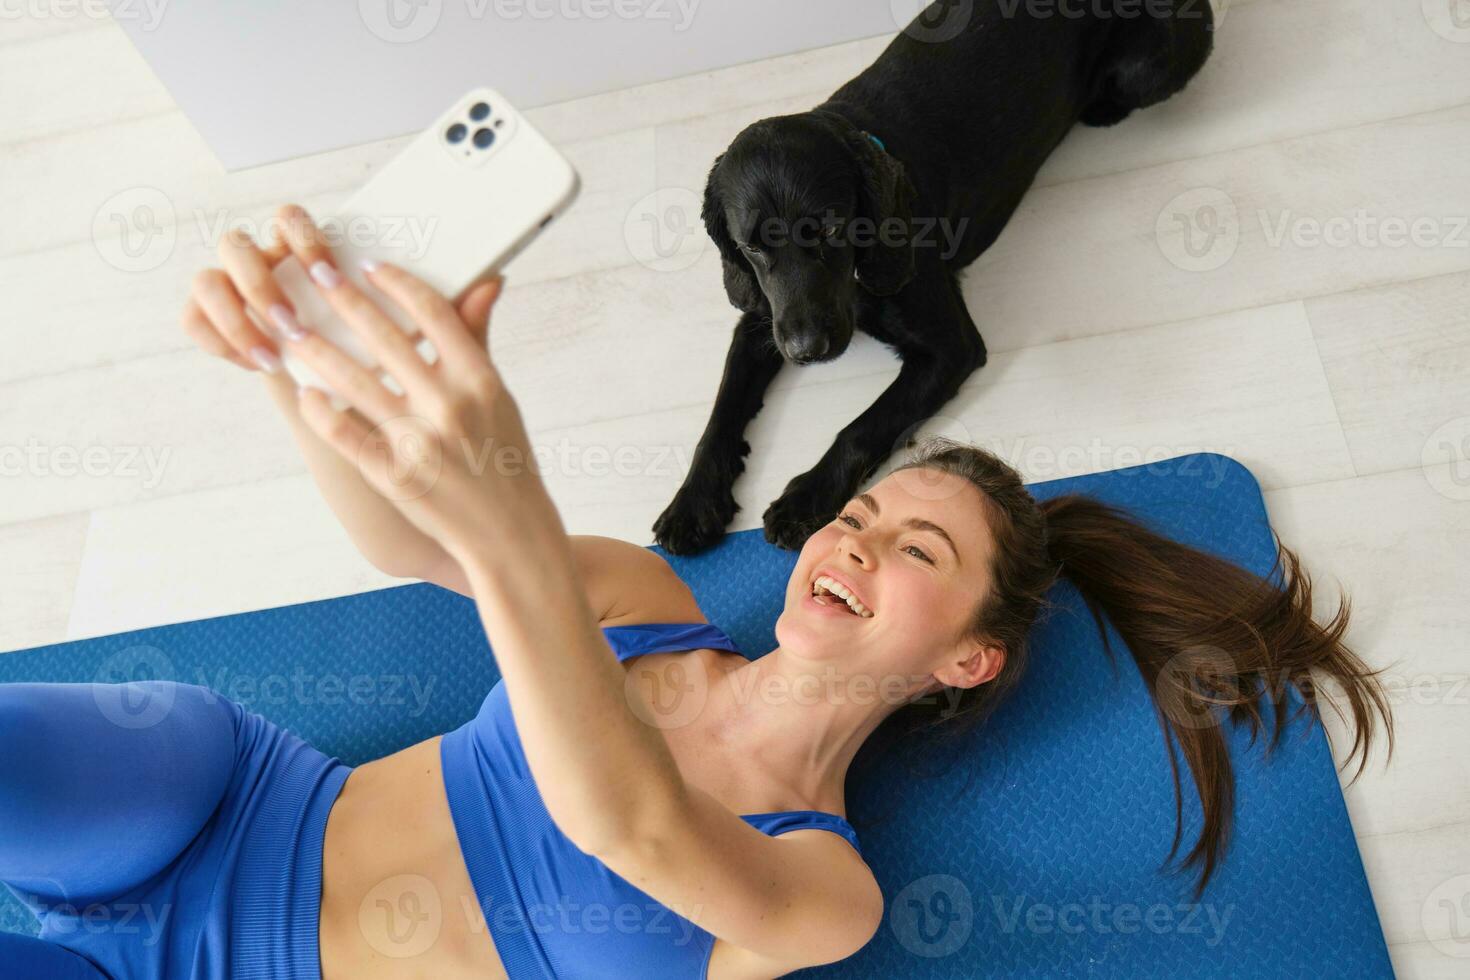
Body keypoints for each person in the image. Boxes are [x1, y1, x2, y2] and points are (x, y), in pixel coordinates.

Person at [0, 206, 1393, 979]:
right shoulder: (632, 597)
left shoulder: (818, 889)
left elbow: (628, 822)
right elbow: (406, 545)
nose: (850, 546)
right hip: (233, 804)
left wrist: (509, 532)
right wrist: (297, 364)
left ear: (965, 659)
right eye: (855, 516)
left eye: (915, 554)